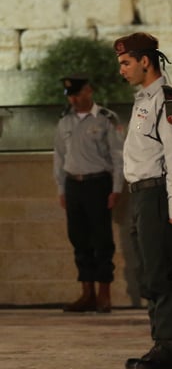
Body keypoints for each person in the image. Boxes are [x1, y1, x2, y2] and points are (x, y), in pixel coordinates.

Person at [114, 32, 172, 369]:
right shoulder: (144, 99)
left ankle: (171, 348)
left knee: (161, 272)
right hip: (141, 194)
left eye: (126, 62)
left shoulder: (166, 98)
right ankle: (160, 342)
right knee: (149, 271)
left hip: (158, 193)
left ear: (146, 60)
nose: (122, 70)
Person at [54, 76, 124, 314]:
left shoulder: (106, 118)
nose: (74, 99)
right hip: (74, 184)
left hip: (98, 183)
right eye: (70, 95)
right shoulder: (65, 121)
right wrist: (61, 189)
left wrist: (116, 188)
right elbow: (59, 157)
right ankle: (87, 293)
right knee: (79, 239)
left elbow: (117, 156)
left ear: (89, 91)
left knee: (101, 240)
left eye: (77, 94)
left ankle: (104, 294)